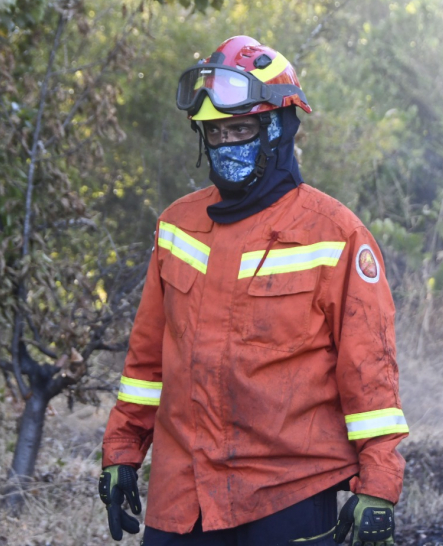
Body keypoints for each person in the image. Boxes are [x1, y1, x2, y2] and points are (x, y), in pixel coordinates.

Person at [99, 36, 407, 546]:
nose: (227, 145)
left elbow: (368, 374)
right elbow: (147, 363)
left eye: (241, 128)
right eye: (215, 133)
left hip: (289, 495)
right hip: (183, 497)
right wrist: (123, 449)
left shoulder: (335, 234)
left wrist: (377, 485)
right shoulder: (177, 226)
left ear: (278, 130)